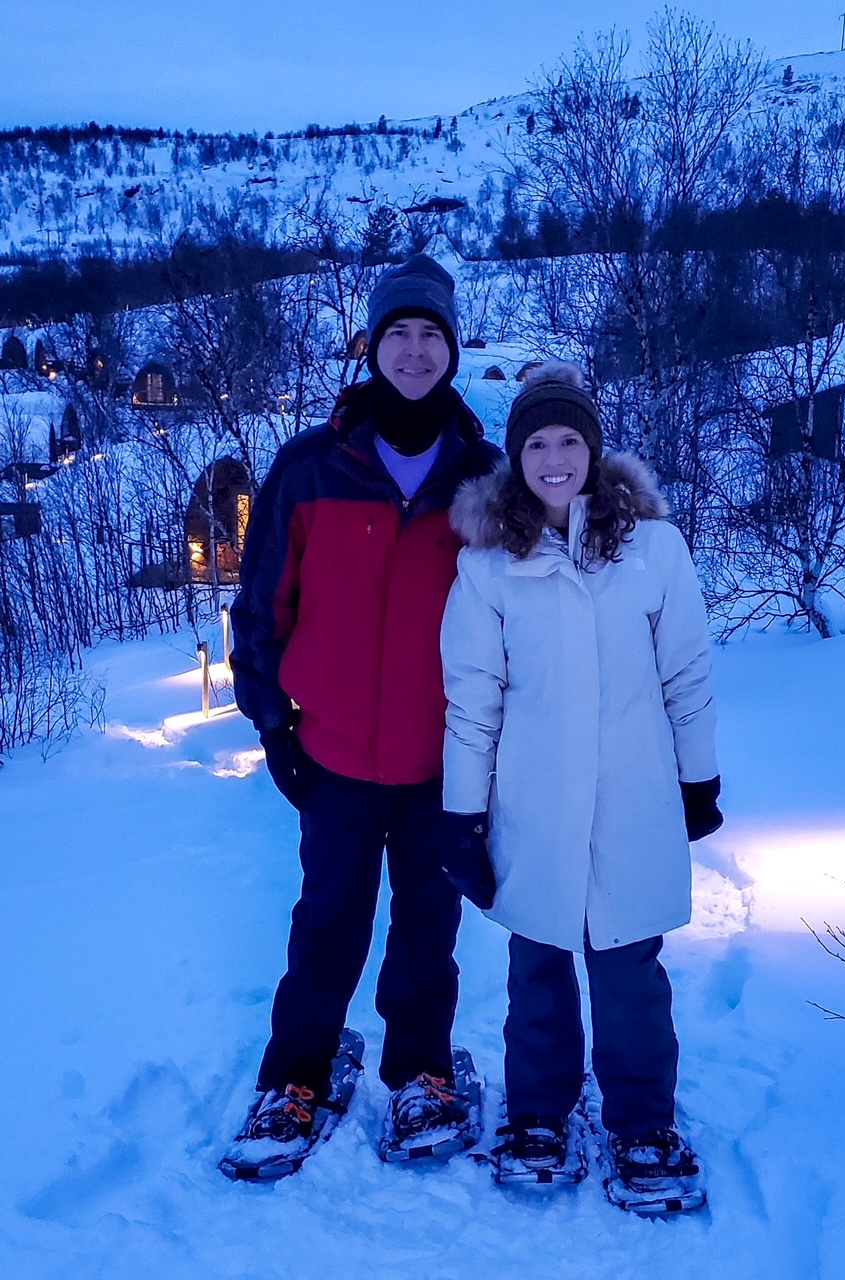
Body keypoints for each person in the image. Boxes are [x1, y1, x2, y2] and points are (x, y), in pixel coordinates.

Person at [224, 253, 502, 1178]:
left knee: (430, 925)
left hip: (441, 762)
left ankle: (420, 1071)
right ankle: (296, 1074)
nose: (415, 351)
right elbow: (264, 606)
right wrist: (272, 725)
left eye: (432, 334)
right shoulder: (311, 470)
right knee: (328, 920)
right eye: (399, 333)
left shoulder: (485, 478)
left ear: (452, 349)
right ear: (372, 344)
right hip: (334, 757)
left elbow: (521, 623)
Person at [439, 361, 721, 1209]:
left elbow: (688, 675)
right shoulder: (488, 567)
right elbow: (471, 703)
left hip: (635, 800)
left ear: (592, 450)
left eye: (569, 440)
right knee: (539, 963)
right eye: (536, 443)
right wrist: (463, 816)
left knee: (630, 967)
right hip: (535, 806)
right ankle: (539, 1113)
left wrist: (697, 780)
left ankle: (641, 1121)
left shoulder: (654, 549)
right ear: (515, 457)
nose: (553, 458)